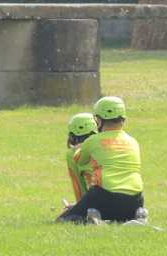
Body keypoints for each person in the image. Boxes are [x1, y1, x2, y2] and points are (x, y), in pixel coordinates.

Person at [58, 96, 145, 224]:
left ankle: (93, 220)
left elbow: (79, 160)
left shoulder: (93, 141)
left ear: (98, 120)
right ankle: (137, 216)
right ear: (124, 120)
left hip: (106, 195)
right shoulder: (133, 141)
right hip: (136, 199)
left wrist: (79, 148)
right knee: (119, 218)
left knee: (64, 220)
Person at [64, 111, 100, 200]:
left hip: (97, 200)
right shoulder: (105, 145)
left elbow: (79, 187)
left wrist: (79, 207)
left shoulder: (72, 154)